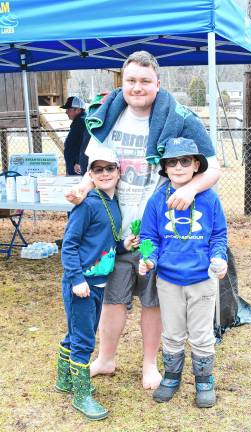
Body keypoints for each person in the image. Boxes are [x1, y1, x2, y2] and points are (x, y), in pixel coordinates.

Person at [65, 50, 221, 390]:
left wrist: (192, 189)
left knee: (153, 301)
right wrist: (81, 188)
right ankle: (106, 358)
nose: (137, 87)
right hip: (113, 231)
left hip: (156, 232)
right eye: (131, 80)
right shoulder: (107, 116)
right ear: (122, 82)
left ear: (158, 83)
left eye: (145, 81)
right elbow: (95, 168)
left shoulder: (179, 117)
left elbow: (213, 166)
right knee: (111, 298)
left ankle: (150, 365)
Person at [139, 137, 227, 408]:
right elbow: (149, 236)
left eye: (185, 161)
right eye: (172, 162)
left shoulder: (210, 199)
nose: (178, 166)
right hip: (168, 280)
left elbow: (219, 235)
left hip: (202, 280)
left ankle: (204, 380)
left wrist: (218, 258)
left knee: (201, 334)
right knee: (173, 333)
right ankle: (171, 376)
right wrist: (148, 258)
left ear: (196, 165)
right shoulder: (157, 200)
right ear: (164, 168)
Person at [55, 146, 138, 421]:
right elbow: (69, 245)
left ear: (118, 171)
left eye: (109, 168)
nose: (104, 174)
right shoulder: (87, 203)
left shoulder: (112, 203)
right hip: (82, 283)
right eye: (98, 169)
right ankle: (82, 395)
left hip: (99, 283)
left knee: (79, 330)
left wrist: (123, 246)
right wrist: (77, 279)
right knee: (84, 339)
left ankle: (64, 379)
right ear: (90, 174)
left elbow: (105, 243)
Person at [61, 96, 89, 175]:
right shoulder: (80, 121)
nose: (66, 112)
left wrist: (78, 161)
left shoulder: (81, 122)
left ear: (78, 110)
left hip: (77, 165)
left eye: (69, 109)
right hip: (74, 163)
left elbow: (84, 143)